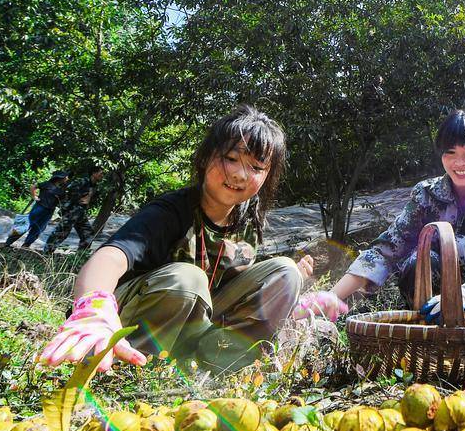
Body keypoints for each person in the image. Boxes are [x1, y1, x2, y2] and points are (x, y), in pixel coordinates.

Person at [37, 106, 311, 375]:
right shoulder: (170, 212)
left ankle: (211, 365)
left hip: (196, 324)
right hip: (128, 321)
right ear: (205, 158)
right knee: (188, 278)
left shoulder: (248, 219)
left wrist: (290, 287)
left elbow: (236, 279)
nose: (240, 174)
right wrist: (93, 309)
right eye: (230, 158)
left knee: (285, 272)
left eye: (256, 166)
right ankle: (128, 365)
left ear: (267, 176)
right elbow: (111, 257)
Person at [294, 109, 465, 324]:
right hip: (432, 304)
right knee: (416, 257)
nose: (459, 163)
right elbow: (387, 249)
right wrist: (331, 296)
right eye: (451, 153)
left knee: (461, 245)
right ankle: (425, 324)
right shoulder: (426, 195)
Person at [44, 167, 105, 253]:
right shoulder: (83, 181)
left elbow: (90, 198)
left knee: (87, 233)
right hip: (72, 210)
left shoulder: (94, 186)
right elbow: (69, 189)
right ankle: (47, 252)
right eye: (100, 173)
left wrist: (88, 199)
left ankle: (81, 255)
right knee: (62, 231)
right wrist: (79, 198)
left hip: (80, 212)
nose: (102, 175)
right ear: (94, 174)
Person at [5, 171, 69, 248]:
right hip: (39, 208)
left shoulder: (62, 189)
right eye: (66, 177)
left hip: (49, 212)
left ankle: (26, 246)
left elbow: (61, 202)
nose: (67, 178)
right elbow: (33, 187)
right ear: (60, 178)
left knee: (38, 229)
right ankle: (8, 243)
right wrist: (34, 197)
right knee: (25, 226)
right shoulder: (46, 184)